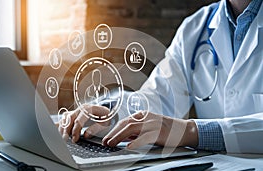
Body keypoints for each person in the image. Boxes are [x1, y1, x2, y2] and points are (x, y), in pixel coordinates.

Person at [60, 0, 263, 153]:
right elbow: (159, 98)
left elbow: (176, 128)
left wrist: (190, 131)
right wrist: (111, 112)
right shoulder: (195, 27)